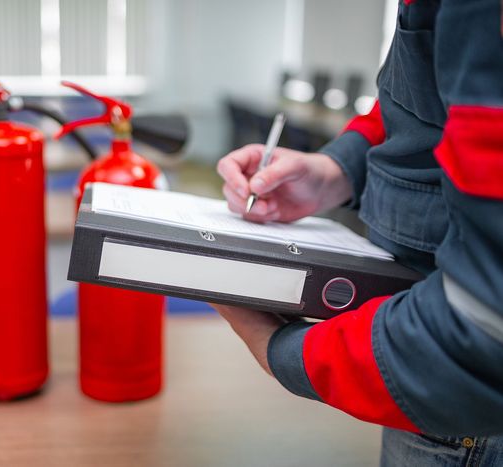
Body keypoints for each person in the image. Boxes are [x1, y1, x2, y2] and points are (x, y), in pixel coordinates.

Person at [213, 0, 503, 465]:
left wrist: (279, 350)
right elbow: (419, 107)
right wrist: (335, 167)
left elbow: (480, 332)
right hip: (409, 349)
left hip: (446, 393)